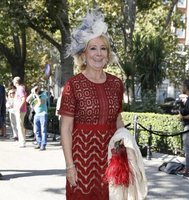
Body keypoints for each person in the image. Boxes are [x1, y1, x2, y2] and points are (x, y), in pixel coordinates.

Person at [58, 10, 125, 200]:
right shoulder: (73, 85)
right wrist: (70, 166)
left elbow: (118, 118)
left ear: (108, 53)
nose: (98, 53)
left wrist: (127, 144)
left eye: (103, 48)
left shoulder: (116, 83)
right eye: (93, 48)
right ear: (84, 53)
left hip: (111, 158)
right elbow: (66, 128)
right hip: (82, 160)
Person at [26, 84, 48, 150]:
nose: (36, 90)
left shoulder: (43, 94)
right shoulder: (33, 94)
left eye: (37, 88)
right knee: (37, 130)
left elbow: (41, 102)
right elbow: (27, 100)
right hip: (36, 114)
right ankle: (39, 143)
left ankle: (43, 145)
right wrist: (32, 93)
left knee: (43, 130)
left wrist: (36, 95)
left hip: (43, 114)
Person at [13, 76, 27, 147]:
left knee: (20, 126)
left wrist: (19, 108)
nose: (13, 82)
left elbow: (23, 99)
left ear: (16, 82)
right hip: (19, 110)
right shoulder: (19, 88)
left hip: (20, 110)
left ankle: (22, 142)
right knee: (19, 126)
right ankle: (21, 140)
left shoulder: (20, 89)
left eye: (13, 81)